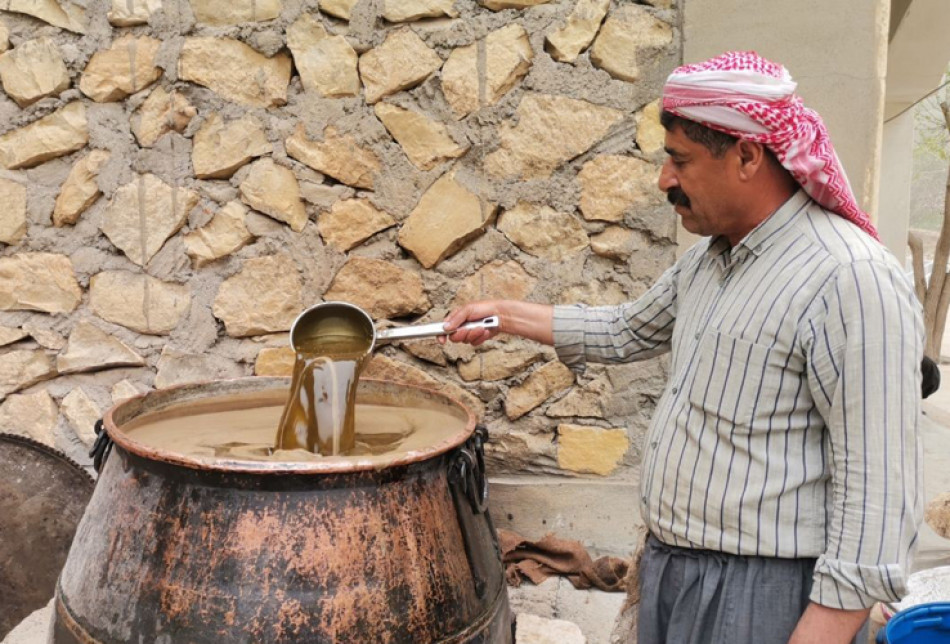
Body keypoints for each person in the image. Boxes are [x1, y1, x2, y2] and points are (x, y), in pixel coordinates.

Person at [442, 51, 923, 644]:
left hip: (762, 595)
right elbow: (625, 329)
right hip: (674, 571)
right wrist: (504, 315)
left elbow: (877, 497)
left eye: (680, 160)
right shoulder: (710, 261)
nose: (664, 180)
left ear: (747, 154)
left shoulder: (849, 278)